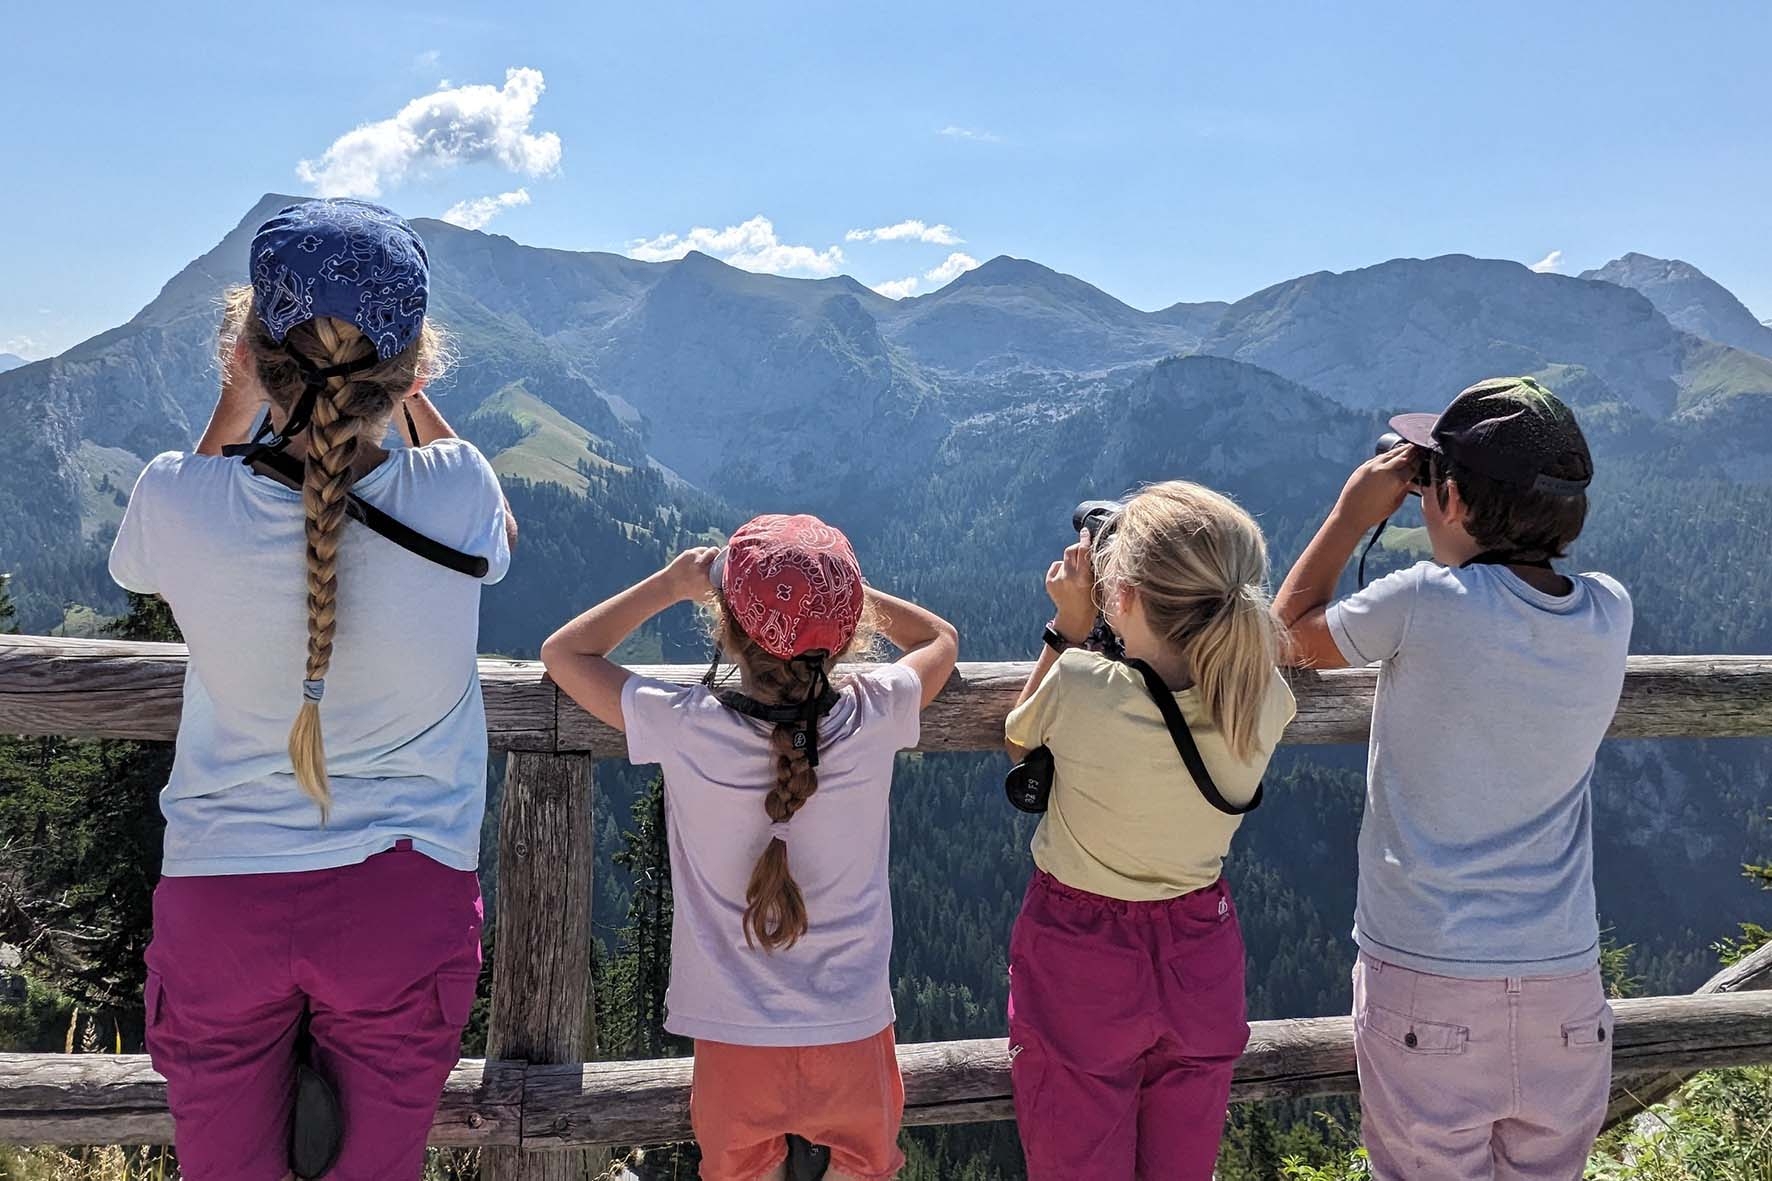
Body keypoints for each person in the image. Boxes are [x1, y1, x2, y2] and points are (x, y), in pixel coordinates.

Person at [110, 198, 516, 1181]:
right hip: (404, 899)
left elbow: (140, 568)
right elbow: (497, 539)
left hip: (222, 899)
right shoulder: (456, 491)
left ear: (249, 348)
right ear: (415, 367)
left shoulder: (177, 497)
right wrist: (407, 393)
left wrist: (234, 401)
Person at [1273, 377, 1631, 1181]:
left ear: (1454, 498)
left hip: (1428, 975)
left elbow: (1284, 635)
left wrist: (1350, 514)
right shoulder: (1610, 609)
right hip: (1565, 985)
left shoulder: (1426, 599)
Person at [541, 514, 957, 1181]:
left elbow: (563, 654)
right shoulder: (875, 711)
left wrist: (674, 583)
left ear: (726, 630)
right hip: (852, 1028)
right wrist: (834, 590)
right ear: (848, 634)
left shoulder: (681, 722)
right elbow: (941, 637)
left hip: (734, 1037)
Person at [1002, 481, 1296, 1181]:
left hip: (1081, 953)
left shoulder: (1080, 682)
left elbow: (1019, 739)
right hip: (1202, 948)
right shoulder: (1263, 698)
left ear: (1121, 594)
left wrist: (1070, 628)